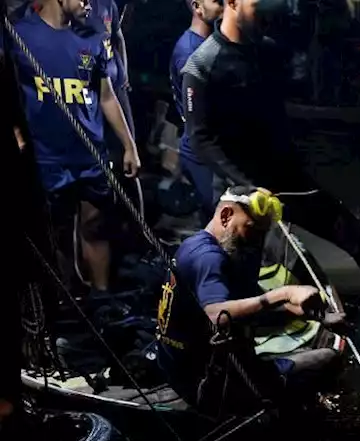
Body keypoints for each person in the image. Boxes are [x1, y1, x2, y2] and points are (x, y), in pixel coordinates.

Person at [181, 0, 360, 338]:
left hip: (288, 179)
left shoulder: (268, 52)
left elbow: (278, 119)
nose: (267, 13)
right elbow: (201, 139)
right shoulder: (200, 65)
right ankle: (235, 352)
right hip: (242, 189)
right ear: (231, 3)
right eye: (258, 5)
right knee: (241, 273)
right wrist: (248, 187)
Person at [155, 186, 341, 408]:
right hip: (207, 383)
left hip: (178, 368)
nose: (256, 241)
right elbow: (217, 316)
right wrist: (285, 293)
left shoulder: (192, 244)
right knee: (327, 359)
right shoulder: (209, 259)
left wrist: (298, 312)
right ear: (226, 216)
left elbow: (242, 311)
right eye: (251, 230)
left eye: (263, 234)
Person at [9, 0, 139, 292]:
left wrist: (129, 145)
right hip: (47, 157)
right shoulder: (21, 36)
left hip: (90, 154)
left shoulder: (92, 38)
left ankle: (103, 300)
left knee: (96, 226)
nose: (89, 3)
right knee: (56, 233)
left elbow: (106, 96)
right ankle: (64, 300)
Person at [170, 0, 223, 219]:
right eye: (217, 2)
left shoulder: (209, 44)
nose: (223, 7)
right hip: (201, 151)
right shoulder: (189, 51)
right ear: (197, 7)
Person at [76, 0, 132, 138]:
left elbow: (118, 38)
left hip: (116, 81)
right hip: (91, 83)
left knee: (127, 133)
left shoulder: (109, 4)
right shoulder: (78, 7)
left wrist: (124, 71)